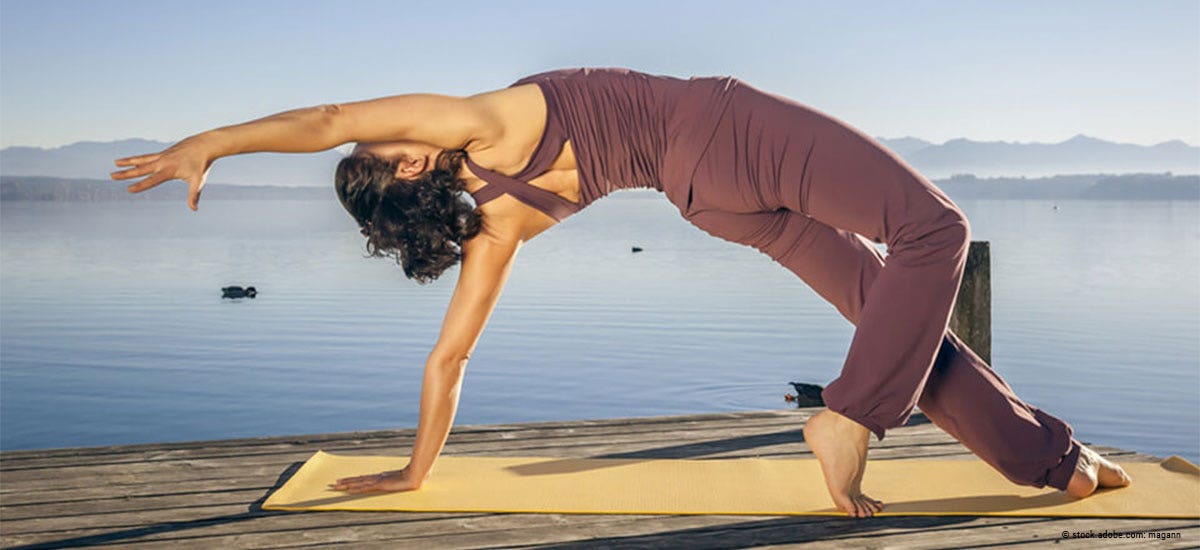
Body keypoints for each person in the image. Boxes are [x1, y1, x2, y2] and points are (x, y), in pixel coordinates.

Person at [110, 67, 1131, 518]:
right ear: (409, 165)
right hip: (717, 135)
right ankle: (851, 416)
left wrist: (415, 474)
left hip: (705, 201)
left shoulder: (496, 223)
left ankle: (1055, 462)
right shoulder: (476, 123)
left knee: (889, 306)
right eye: (386, 146)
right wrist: (212, 142)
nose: (389, 129)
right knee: (934, 230)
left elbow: (449, 357)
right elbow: (331, 115)